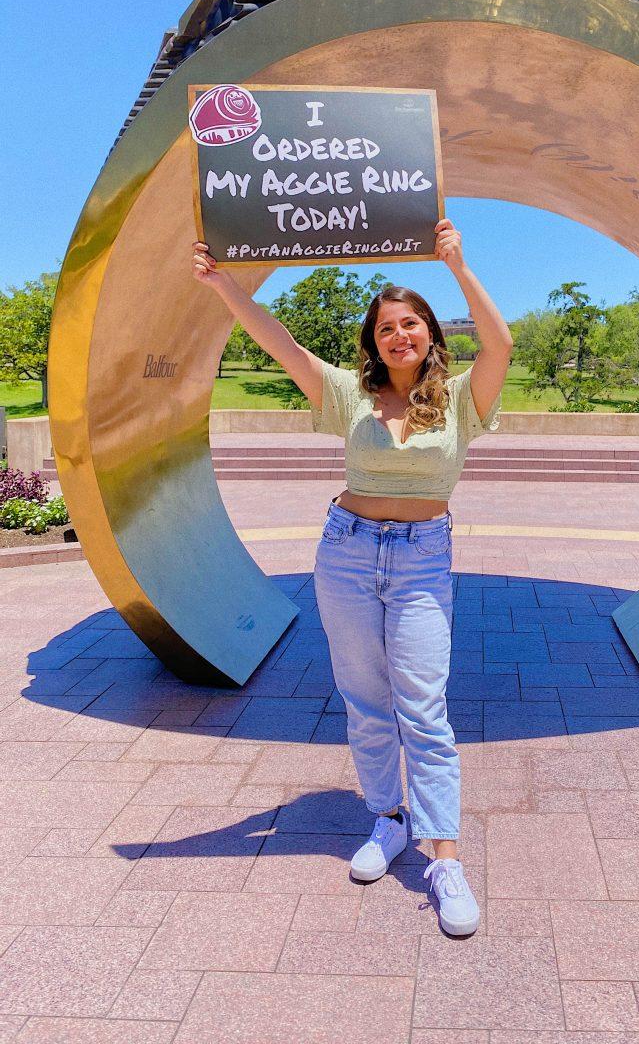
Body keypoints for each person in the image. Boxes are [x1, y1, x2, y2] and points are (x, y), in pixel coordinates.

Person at [191, 219, 513, 935]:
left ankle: (445, 859)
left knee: (424, 707)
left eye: (411, 324)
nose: (399, 335)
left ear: (430, 333)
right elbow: (279, 343)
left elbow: (502, 344)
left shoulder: (462, 397)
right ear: (372, 342)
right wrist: (224, 287)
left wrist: (457, 263)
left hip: (424, 555)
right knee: (366, 698)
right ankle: (388, 819)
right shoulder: (349, 396)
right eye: (386, 328)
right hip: (346, 550)